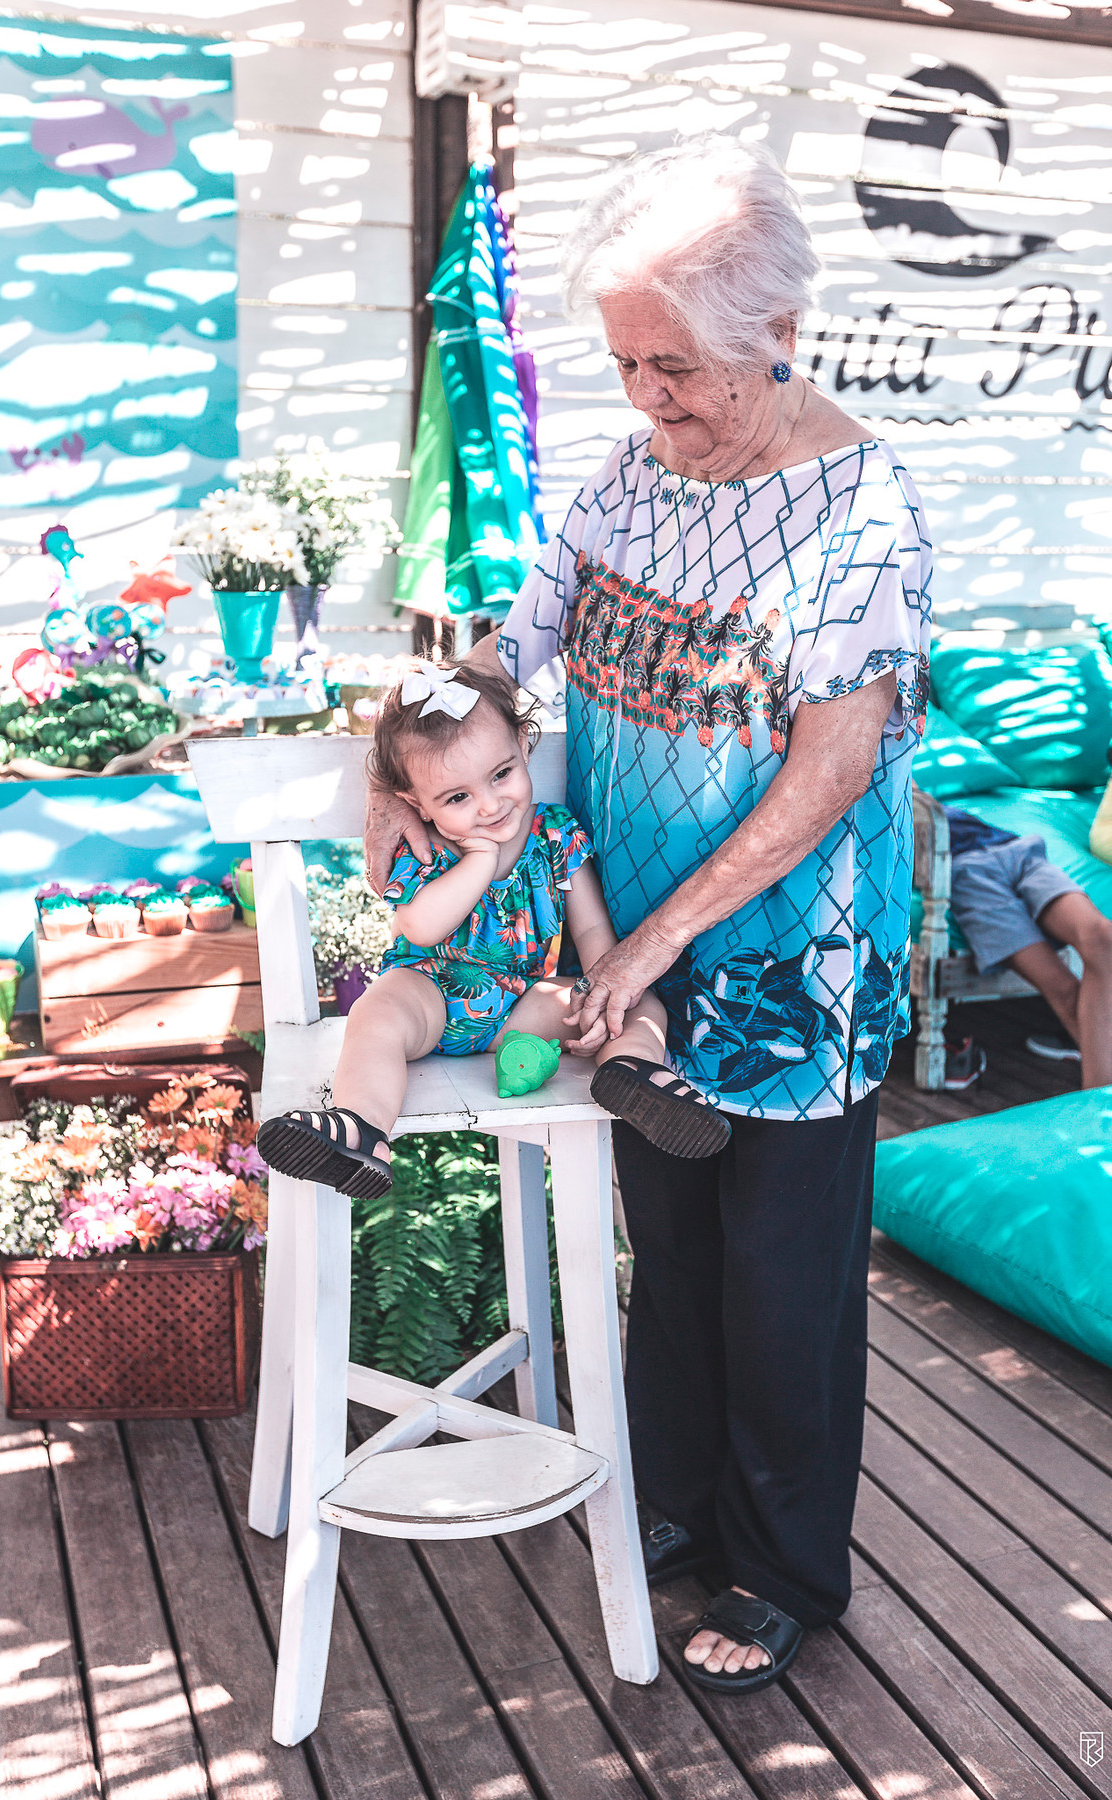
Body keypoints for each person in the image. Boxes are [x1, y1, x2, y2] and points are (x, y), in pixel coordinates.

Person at [366, 133, 932, 1694]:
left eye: (674, 368)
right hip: (626, 955)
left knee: (780, 1284)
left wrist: (652, 942)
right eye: (622, 365)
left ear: (777, 337)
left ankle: (780, 1572)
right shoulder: (632, 472)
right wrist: (400, 764)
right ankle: (675, 1506)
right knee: (667, 1248)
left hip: (786, 965)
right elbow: (516, 652)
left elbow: (825, 773)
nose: (645, 401)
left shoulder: (857, 514)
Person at [257, 660, 724, 1199]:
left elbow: (594, 929)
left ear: (524, 745)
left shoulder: (554, 835)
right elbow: (421, 927)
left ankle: (635, 1072)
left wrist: (602, 1000)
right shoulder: (425, 846)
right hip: (430, 993)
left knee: (637, 998)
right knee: (375, 1013)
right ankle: (361, 1128)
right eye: (457, 798)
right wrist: (478, 862)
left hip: (524, 1010)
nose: (490, 804)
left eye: (501, 775)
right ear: (416, 804)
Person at [936, 801, 1112, 1088]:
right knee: (1064, 990)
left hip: (1020, 851)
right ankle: (1101, 1111)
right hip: (964, 871)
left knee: (1103, 938)